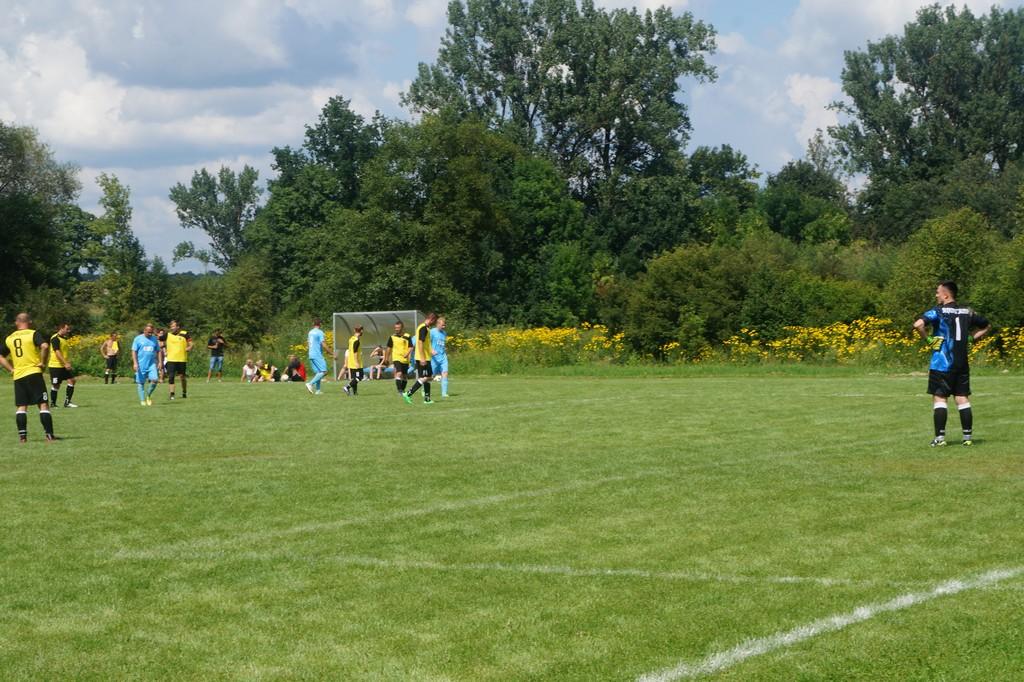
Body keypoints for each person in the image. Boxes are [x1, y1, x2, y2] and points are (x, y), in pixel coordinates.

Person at [913, 280, 991, 447]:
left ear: (946, 295)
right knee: (962, 398)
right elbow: (986, 326)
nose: (936, 295)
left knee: (940, 398)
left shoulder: (938, 311)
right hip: (961, 364)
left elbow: (918, 325)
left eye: (938, 292)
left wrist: (929, 340)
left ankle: (940, 439)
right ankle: (967, 438)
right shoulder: (967, 312)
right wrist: (971, 338)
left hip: (942, 363)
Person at [0, 312, 56, 443]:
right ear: (29, 322)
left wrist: (11, 369)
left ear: (16, 322)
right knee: (43, 404)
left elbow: (1, 356)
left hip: (18, 376)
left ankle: (23, 437)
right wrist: (43, 362)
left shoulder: (9, 338)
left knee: (21, 407)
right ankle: (49, 436)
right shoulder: (33, 334)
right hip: (33, 373)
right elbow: (45, 346)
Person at [403, 312, 437, 405]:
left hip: (426, 357)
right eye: (434, 321)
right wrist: (422, 358)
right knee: (426, 377)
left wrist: (431, 351)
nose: (434, 323)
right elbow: (420, 343)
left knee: (427, 377)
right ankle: (408, 393)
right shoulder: (423, 328)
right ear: (432, 319)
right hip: (423, 358)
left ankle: (427, 399)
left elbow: (426, 343)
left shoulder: (426, 328)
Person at [48, 322, 79, 408]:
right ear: (61, 328)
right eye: (67, 329)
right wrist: (65, 363)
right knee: (56, 385)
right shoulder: (55, 338)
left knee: (72, 380)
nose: (68, 331)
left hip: (64, 365)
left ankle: (67, 402)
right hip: (55, 366)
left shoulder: (64, 339)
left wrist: (67, 362)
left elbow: (63, 352)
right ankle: (53, 404)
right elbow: (57, 352)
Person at [131, 323, 163, 407]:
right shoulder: (137, 339)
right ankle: (142, 400)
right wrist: (135, 363)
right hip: (140, 365)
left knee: (155, 379)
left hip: (151, 364)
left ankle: (148, 395)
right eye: (148, 332)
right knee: (140, 383)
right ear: (144, 331)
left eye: (151, 332)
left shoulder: (154, 339)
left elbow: (158, 351)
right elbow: (134, 351)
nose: (150, 334)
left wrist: (160, 362)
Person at [164, 320, 193, 400]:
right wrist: (163, 349)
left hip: (181, 359)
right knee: (171, 377)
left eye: (173, 326)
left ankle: (184, 392)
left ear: (178, 327)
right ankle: (172, 394)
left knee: (182, 377)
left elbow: (191, 344)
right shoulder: (168, 334)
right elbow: (159, 340)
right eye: (171, 326)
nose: (172, 328)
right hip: (171, 359)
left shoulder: (185, 333)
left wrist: (189, 347)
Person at [305, 318, 334, 395]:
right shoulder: (320, 332)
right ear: (320, 324)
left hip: (311, 354)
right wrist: (332, 353)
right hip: (317, 354)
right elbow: (323, 344)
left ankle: (318, 391)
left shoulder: (310, 332)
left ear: (313, 324)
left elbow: (308, 343)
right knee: (324, 371)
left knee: (319, 372)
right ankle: (310, 384)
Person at [386, 321, 412, 396]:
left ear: (402, 328)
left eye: (398, 328)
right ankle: (399, 390)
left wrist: (407, 354)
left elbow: (411, 347)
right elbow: (388, 348)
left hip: (405, 359)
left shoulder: (407, 336)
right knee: (399, 373)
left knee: (405, 376)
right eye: (395, 328)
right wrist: (386, 358)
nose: (396, 329)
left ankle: (402, 390)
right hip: (396, 358)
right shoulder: (392, 337)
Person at [430, 315, 449, 398]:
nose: (444, 327)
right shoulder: (432, 332)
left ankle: (444, 393)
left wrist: (444, 349)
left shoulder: (444, 333)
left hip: (443, 357)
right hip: (434, 358)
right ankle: (424, 390)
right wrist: (431, 350)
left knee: (445, 373)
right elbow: (427, 343)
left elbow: (442, 344)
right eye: (442, 325)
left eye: (444, 325)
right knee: (430, 376)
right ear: (437, 324)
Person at [343, 326, 364, 396]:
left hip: (351, 362)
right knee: (359, 377)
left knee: (354, 378)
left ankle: (355, 393)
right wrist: (356, 362)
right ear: (361, 331)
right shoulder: (356, 341)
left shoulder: (351, 339)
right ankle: (347, 387)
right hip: (356, 363)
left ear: (354, 330)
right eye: (362, 331)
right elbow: (355, 352)